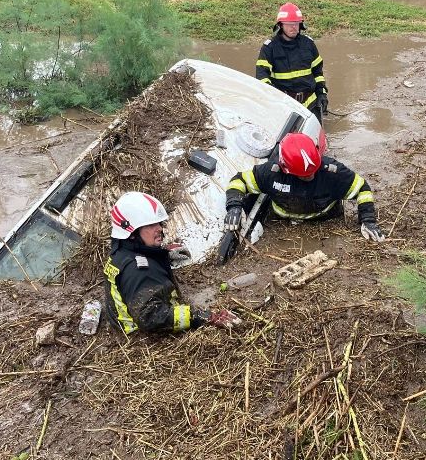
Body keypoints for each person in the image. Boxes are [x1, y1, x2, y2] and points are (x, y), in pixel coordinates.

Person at [104, 191, 240, 335]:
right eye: (150, 225)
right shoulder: (138, 270)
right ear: (131, 232)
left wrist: (163, 255)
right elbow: (151, 317)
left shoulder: (123, 251)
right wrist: (200, 317)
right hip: (144, 340)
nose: (160, 228)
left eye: (158, 223)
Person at [223, 132, 384, 242]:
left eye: (313, 172)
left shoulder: (333, 172)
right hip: (282, 223)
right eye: (304, 175)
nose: (310, 176)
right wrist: (234, 206)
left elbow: (362, 188)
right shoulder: (271, 173)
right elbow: (239, 181)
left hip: (326, 220)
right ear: (286, 168)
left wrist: (368, 220)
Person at [256, 2, 328, 124]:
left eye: (296, 24)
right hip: (284, 106)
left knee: (314, 140)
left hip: (311, 104)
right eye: (289, 24)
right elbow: (262, 78)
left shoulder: (308, 44)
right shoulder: (269, 47)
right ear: (280, 25)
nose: (293, 27)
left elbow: (318, 72)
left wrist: (322, 93)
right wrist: (275, 100)